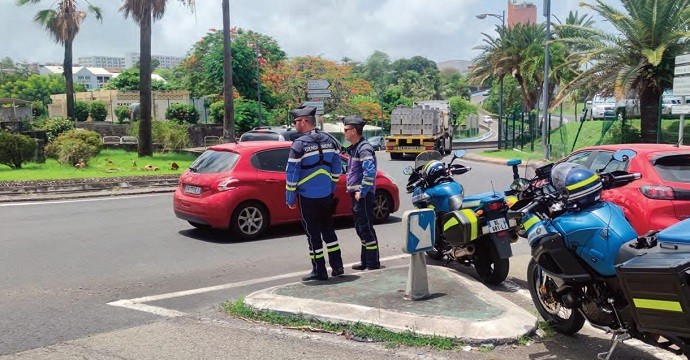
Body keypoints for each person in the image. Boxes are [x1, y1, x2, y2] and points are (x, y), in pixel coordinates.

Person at [286, 105, 344, 281]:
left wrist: (290, 198)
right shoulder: (330, 140)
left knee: (313, 234)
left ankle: (319, 270)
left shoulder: (299, 144)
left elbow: (292, 173)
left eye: (296, 121)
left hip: (307, 196)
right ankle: (338, 266)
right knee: (329, 230)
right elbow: (337, 168)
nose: (294, 124)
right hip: (326, 195)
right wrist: (330, 188)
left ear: (304, 121)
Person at [342, 115, 380, 270]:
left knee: (366, 229)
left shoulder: (364, 149)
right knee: (361, 228)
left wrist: (362, 191)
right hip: (357, 195)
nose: (344, 133)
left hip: (362, 196)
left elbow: (369, 172)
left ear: (353, 131)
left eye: (346, 130)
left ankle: (372, 263)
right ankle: (365, 261)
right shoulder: (355, 148)